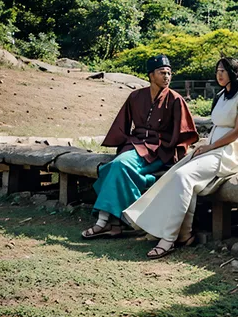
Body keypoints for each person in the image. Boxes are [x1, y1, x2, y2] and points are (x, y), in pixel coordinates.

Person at [123, 57, 238, 258]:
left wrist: (210, 147)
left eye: (224, 70)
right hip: (212, 147)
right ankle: (182, 234)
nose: (219, 74)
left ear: (234, 73)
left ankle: (168, 238)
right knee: (175, 174)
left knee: (183, 176)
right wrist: (205, 146)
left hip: (230, 152)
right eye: (217, 70)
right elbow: (217, 126)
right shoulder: (220, 95)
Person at [82, 55, 199, 239]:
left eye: (169, 73)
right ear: (151, 75)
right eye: (162, 73)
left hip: (159, 151)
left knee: (117, 166)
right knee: (115, 167)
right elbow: (122, 124)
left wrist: (174, 153)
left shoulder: (176, 99)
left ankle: (105, 222)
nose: (167, 76)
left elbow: (184, 132)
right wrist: (123, 144)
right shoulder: (135, 96)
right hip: (136, 146)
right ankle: (117, 222)